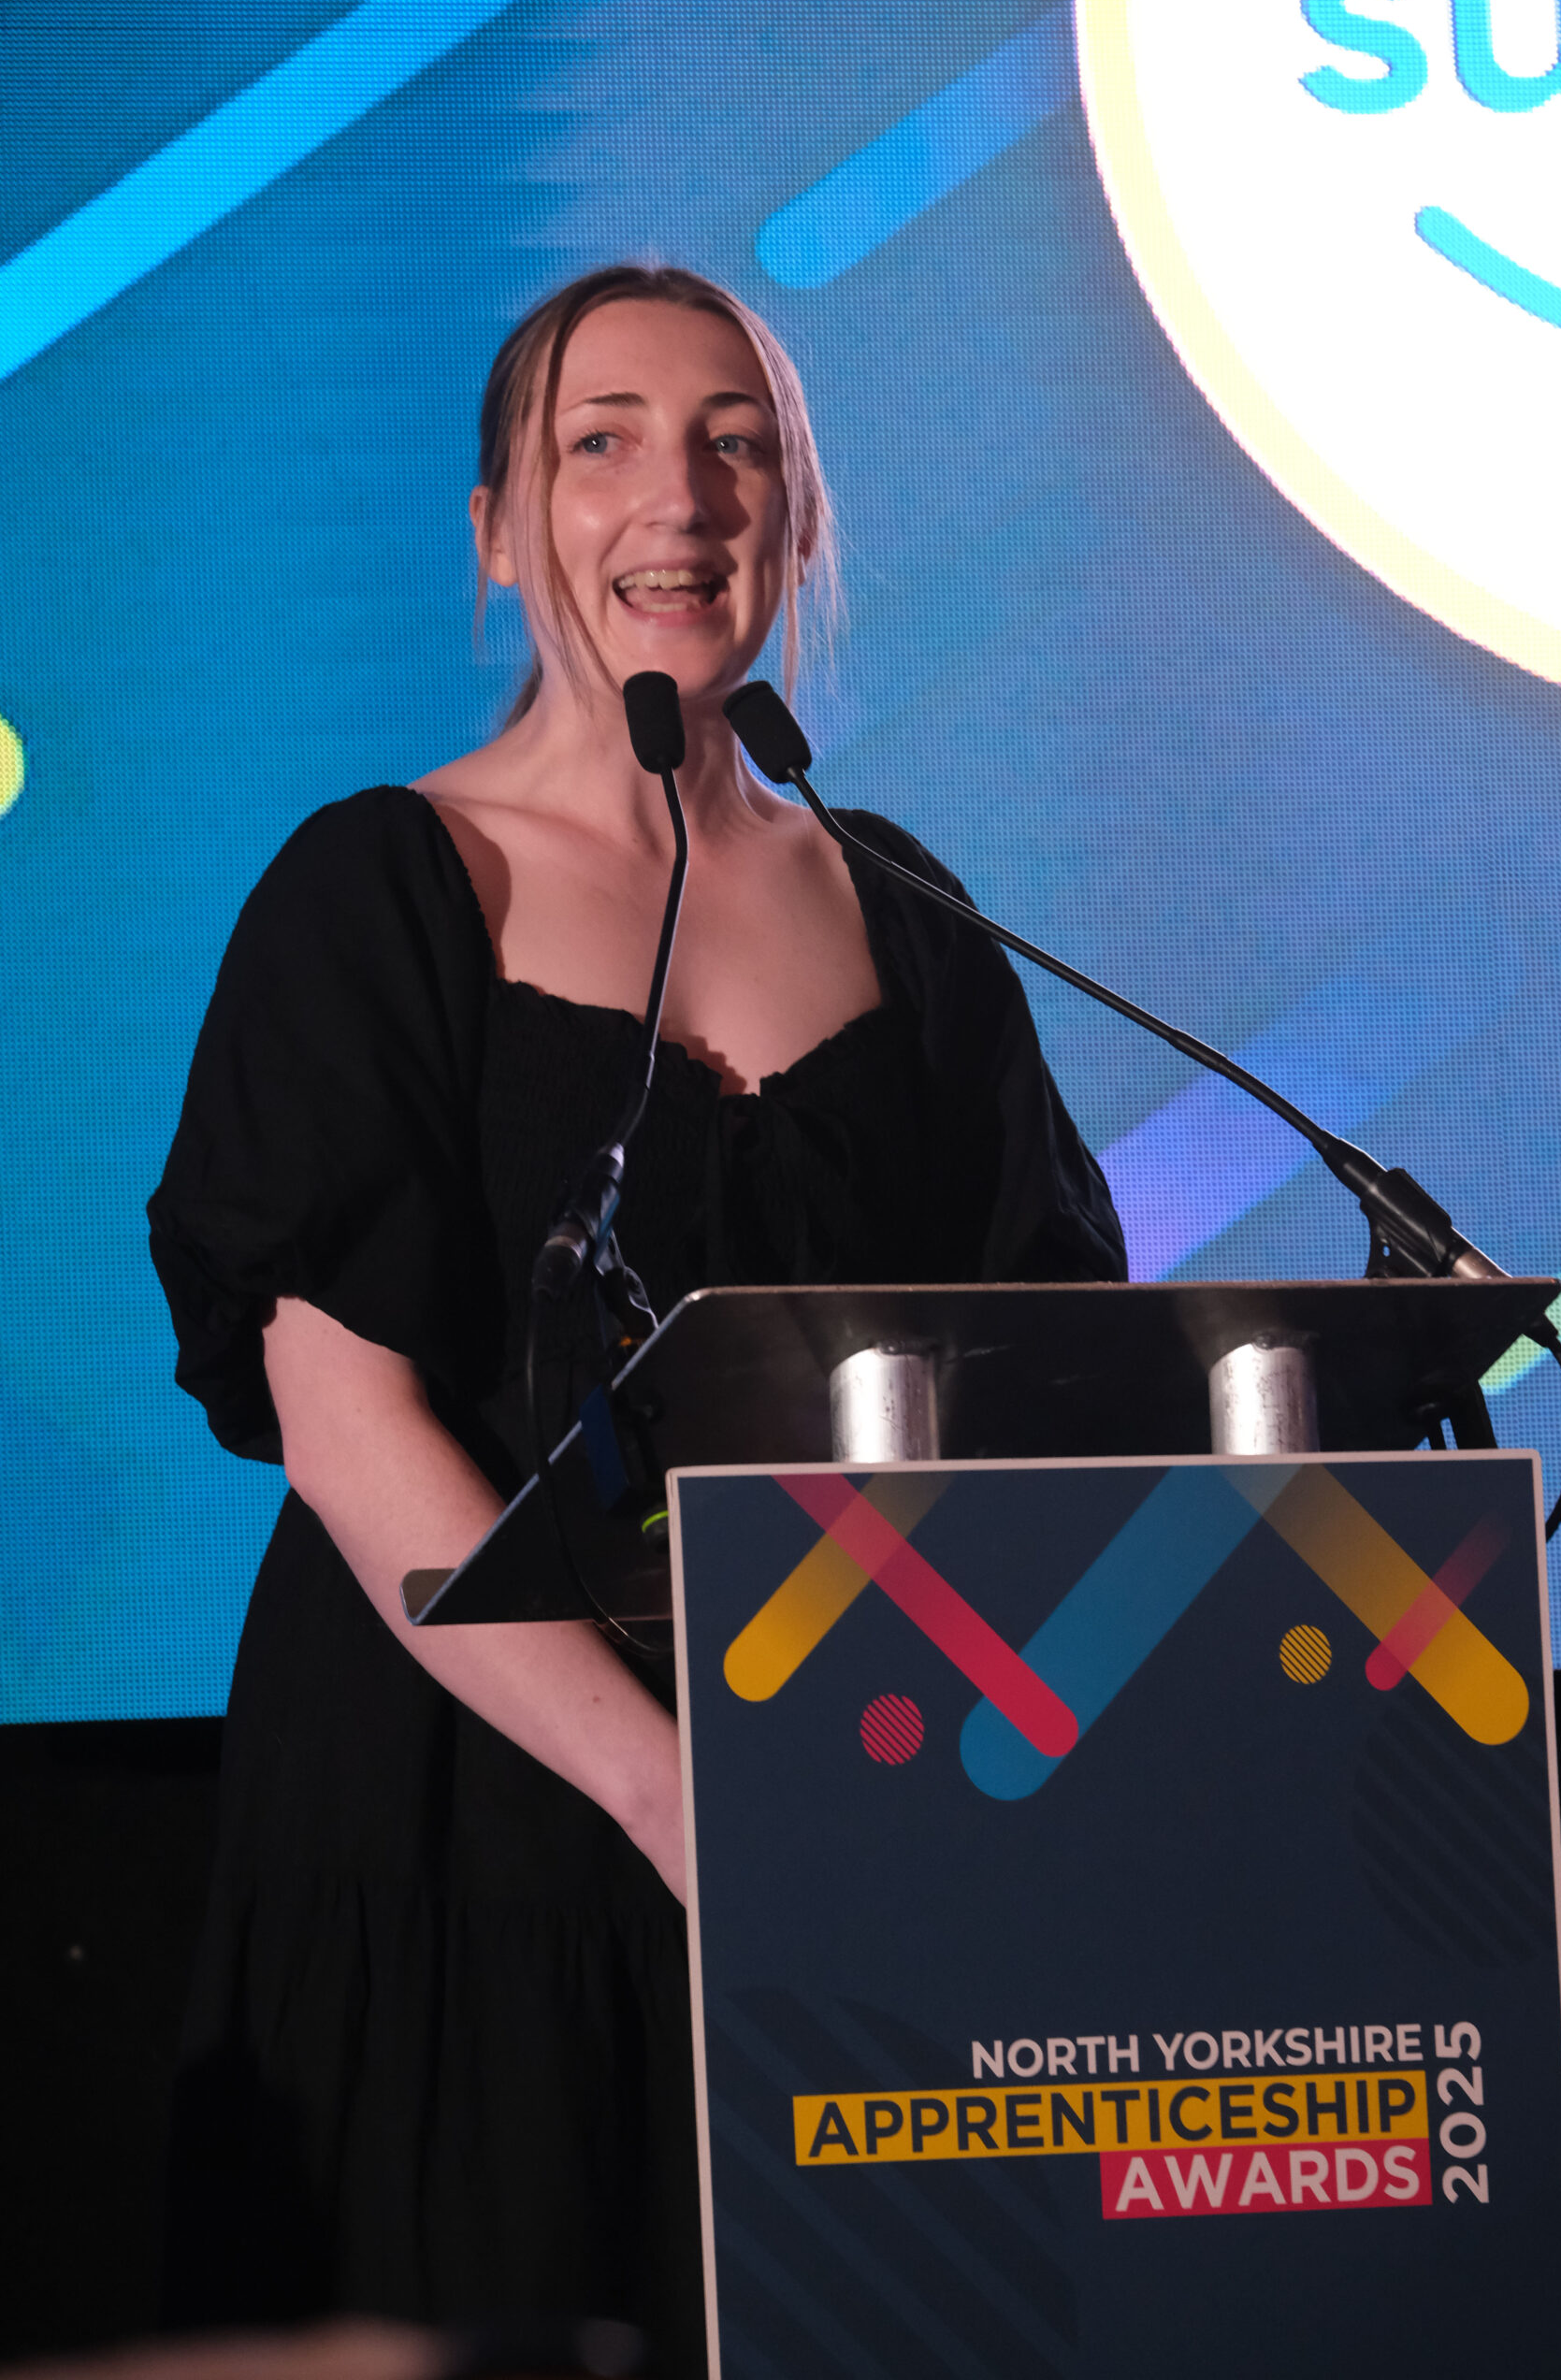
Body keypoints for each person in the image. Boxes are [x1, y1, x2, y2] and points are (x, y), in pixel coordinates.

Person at [148, 265, 1126, 2374]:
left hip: (855, 1807)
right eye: (601, 441)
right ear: (501, 530)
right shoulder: (378, 888)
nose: (678, 498)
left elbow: (1044, 1377)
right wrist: (677, 1794)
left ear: (798, 520)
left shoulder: (910, 911)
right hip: (468, 1817)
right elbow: (344, 1422)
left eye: (734, 443)